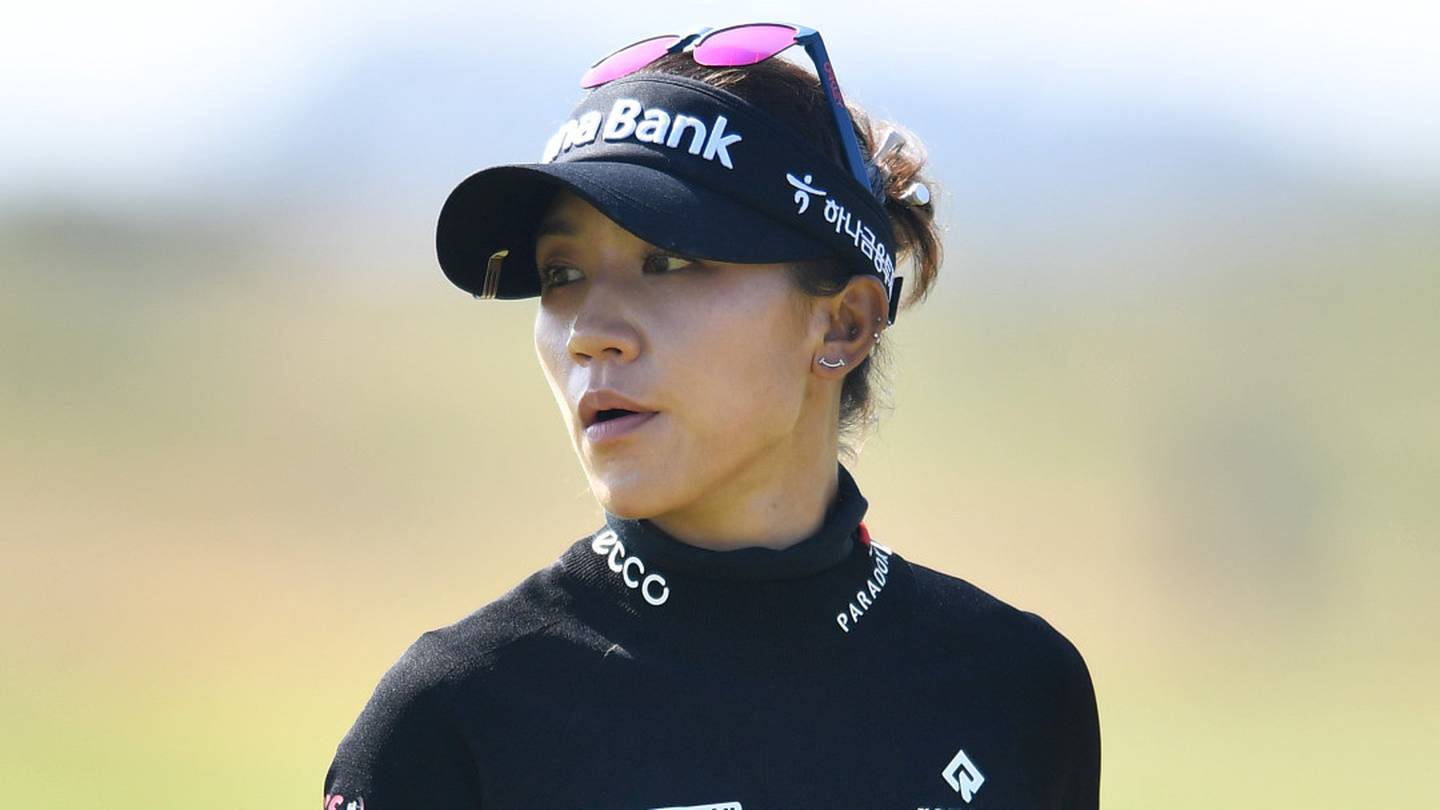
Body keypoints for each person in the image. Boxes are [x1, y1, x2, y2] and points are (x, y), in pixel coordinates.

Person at [323, 23, 1099, 809]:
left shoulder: (1017, 693)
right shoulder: (452, 724)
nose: (591, 331)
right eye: (562, 272)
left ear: (843, 325)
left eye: (667, 261)